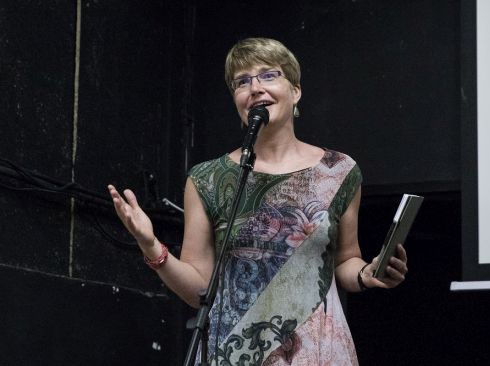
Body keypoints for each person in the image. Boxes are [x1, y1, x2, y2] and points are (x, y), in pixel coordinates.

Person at [108, 37, 408, 365]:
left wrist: (368, 273)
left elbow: (345, 261)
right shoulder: (207, 178)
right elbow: (199, 291)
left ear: (295, 91)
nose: (255, 87)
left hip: (315, 351)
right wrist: (151, 245)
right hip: (233, 350)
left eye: (268, 75)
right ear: (236, 100)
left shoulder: (338, 171)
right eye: (242, 81)